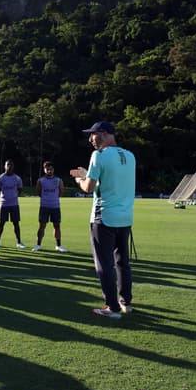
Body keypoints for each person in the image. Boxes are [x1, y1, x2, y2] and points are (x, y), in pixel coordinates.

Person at [71, 121, 136, 319]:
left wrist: (80, 179)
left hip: (104, 217)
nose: (91, 139)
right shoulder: (130, 156)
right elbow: (112, 181)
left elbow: (88, 188)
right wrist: (89, 175)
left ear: (105, 134)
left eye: (93, 134)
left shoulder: (98, 155)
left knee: (104, 263)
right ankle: (126, 302)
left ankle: (112, 307)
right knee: (122, 262)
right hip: (125, 217)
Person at [33, 161, 67, 252]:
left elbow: (61, 192)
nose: (49, 171)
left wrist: (53, 198)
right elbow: (38, 192)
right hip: (44, 206)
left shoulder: (58, 180)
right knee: (42, 226)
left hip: (55, 206)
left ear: (53, 170)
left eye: (50, 169)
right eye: (47, 169)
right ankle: (38, 245)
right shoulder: (40, 180)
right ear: (44, 170)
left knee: (57, 226)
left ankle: (58, 245)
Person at [0, 160, 26, 248]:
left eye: (11, 165)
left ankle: (19, 242)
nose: (9, 166)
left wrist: (14, 196)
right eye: (8, 165)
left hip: (14, 204)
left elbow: (20, 189)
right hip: (3, 204)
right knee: (1, 223)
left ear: (13, 166)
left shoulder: (17, 178)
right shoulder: (1, 178)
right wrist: (3, 197)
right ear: (4, 166)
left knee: (16, 223)